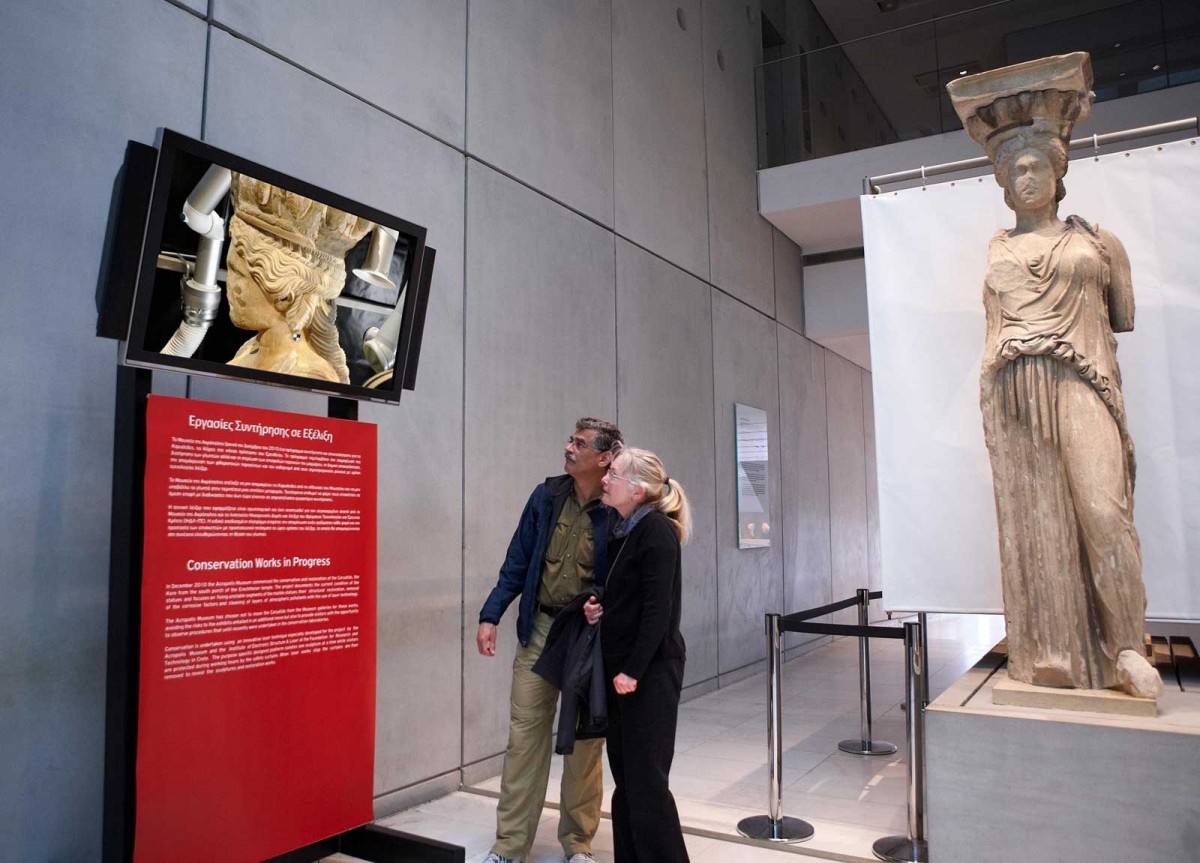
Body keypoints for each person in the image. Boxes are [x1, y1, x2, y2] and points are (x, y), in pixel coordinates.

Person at [947, 53, 1162, 698]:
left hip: (1082, 382)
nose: (1027, 175)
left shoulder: (1097, 243)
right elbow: (993, 332)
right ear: (1005, 185)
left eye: (1037, 165)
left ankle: (1126, 646)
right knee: (1032, 523)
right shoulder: (998, 250)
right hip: (1016, 390)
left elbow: (1121, 316)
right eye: (1015, 170)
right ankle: (1049, 655)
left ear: (1058, 174)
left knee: (1103, 512)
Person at [477, 418, 623, 863]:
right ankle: (508, 848)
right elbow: (518, 559)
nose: (568, 448)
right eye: (570, 440)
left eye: (579, 444)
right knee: (524, 740)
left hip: (587, 639)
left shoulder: (618, 505)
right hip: (539, 630)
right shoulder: (546, 496)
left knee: (583, 745)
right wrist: (491, 614)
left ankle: (577, 845)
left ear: (604, 458)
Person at [583, 446, 691, 863]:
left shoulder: (656, 531)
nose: (605, 479)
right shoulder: (623, 528)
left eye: (614, 474)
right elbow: (625, 595)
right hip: (624, 674)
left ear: (638, 489)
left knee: (646, 785)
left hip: (647, 675)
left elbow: (657, 613)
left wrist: (632, 671)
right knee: (627, 781)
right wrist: (596, 605)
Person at [224, 173, 372, 383]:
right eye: (231, 272)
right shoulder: (249, 350)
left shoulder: (307, 375)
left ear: (286, 295)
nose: (230, 287)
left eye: (238, 274)